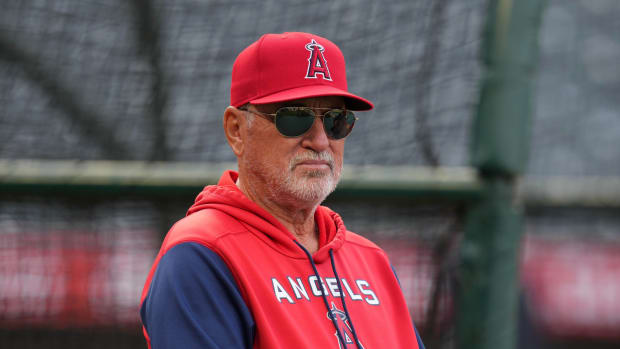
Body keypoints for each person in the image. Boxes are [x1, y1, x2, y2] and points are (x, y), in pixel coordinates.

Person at [140, 32, 425, 349]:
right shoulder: (201, 254)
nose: (319, 141)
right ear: (237, 130)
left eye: (336, 121)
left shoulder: (371, 261)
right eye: (294, 118)